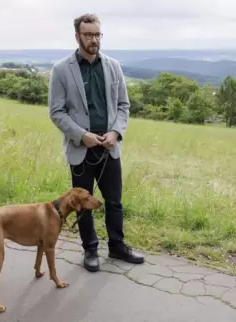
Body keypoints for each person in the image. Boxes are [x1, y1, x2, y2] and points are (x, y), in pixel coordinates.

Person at [48, 13, 145, 273]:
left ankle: (117, 245)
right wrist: (82, 135)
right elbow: (56, 112)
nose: (93, 40)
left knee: (114, 201)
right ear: (77, 36)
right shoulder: (61, 69)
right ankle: (90, 249)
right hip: (82, 149)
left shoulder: (113, 66)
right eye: (88, 34)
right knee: (83, 204)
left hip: (110, 148)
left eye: (97, 34)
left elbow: (124, 106)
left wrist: (115, 132)